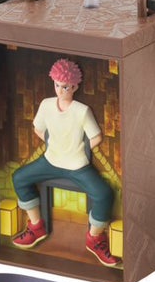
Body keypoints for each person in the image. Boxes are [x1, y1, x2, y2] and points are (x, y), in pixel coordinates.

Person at [11, 58, 119, 266]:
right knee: (19, 178)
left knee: (104, 194)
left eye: (66, 87)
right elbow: (38, 129)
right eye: (57, 85)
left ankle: (95, 238)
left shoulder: (81, 110)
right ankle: (36, 226)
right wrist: (54, 145)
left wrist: (78, 150)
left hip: (77, 166)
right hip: (50, 160)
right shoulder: (46, 105)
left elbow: (96, 137)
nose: (61, 91)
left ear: (75, 87)